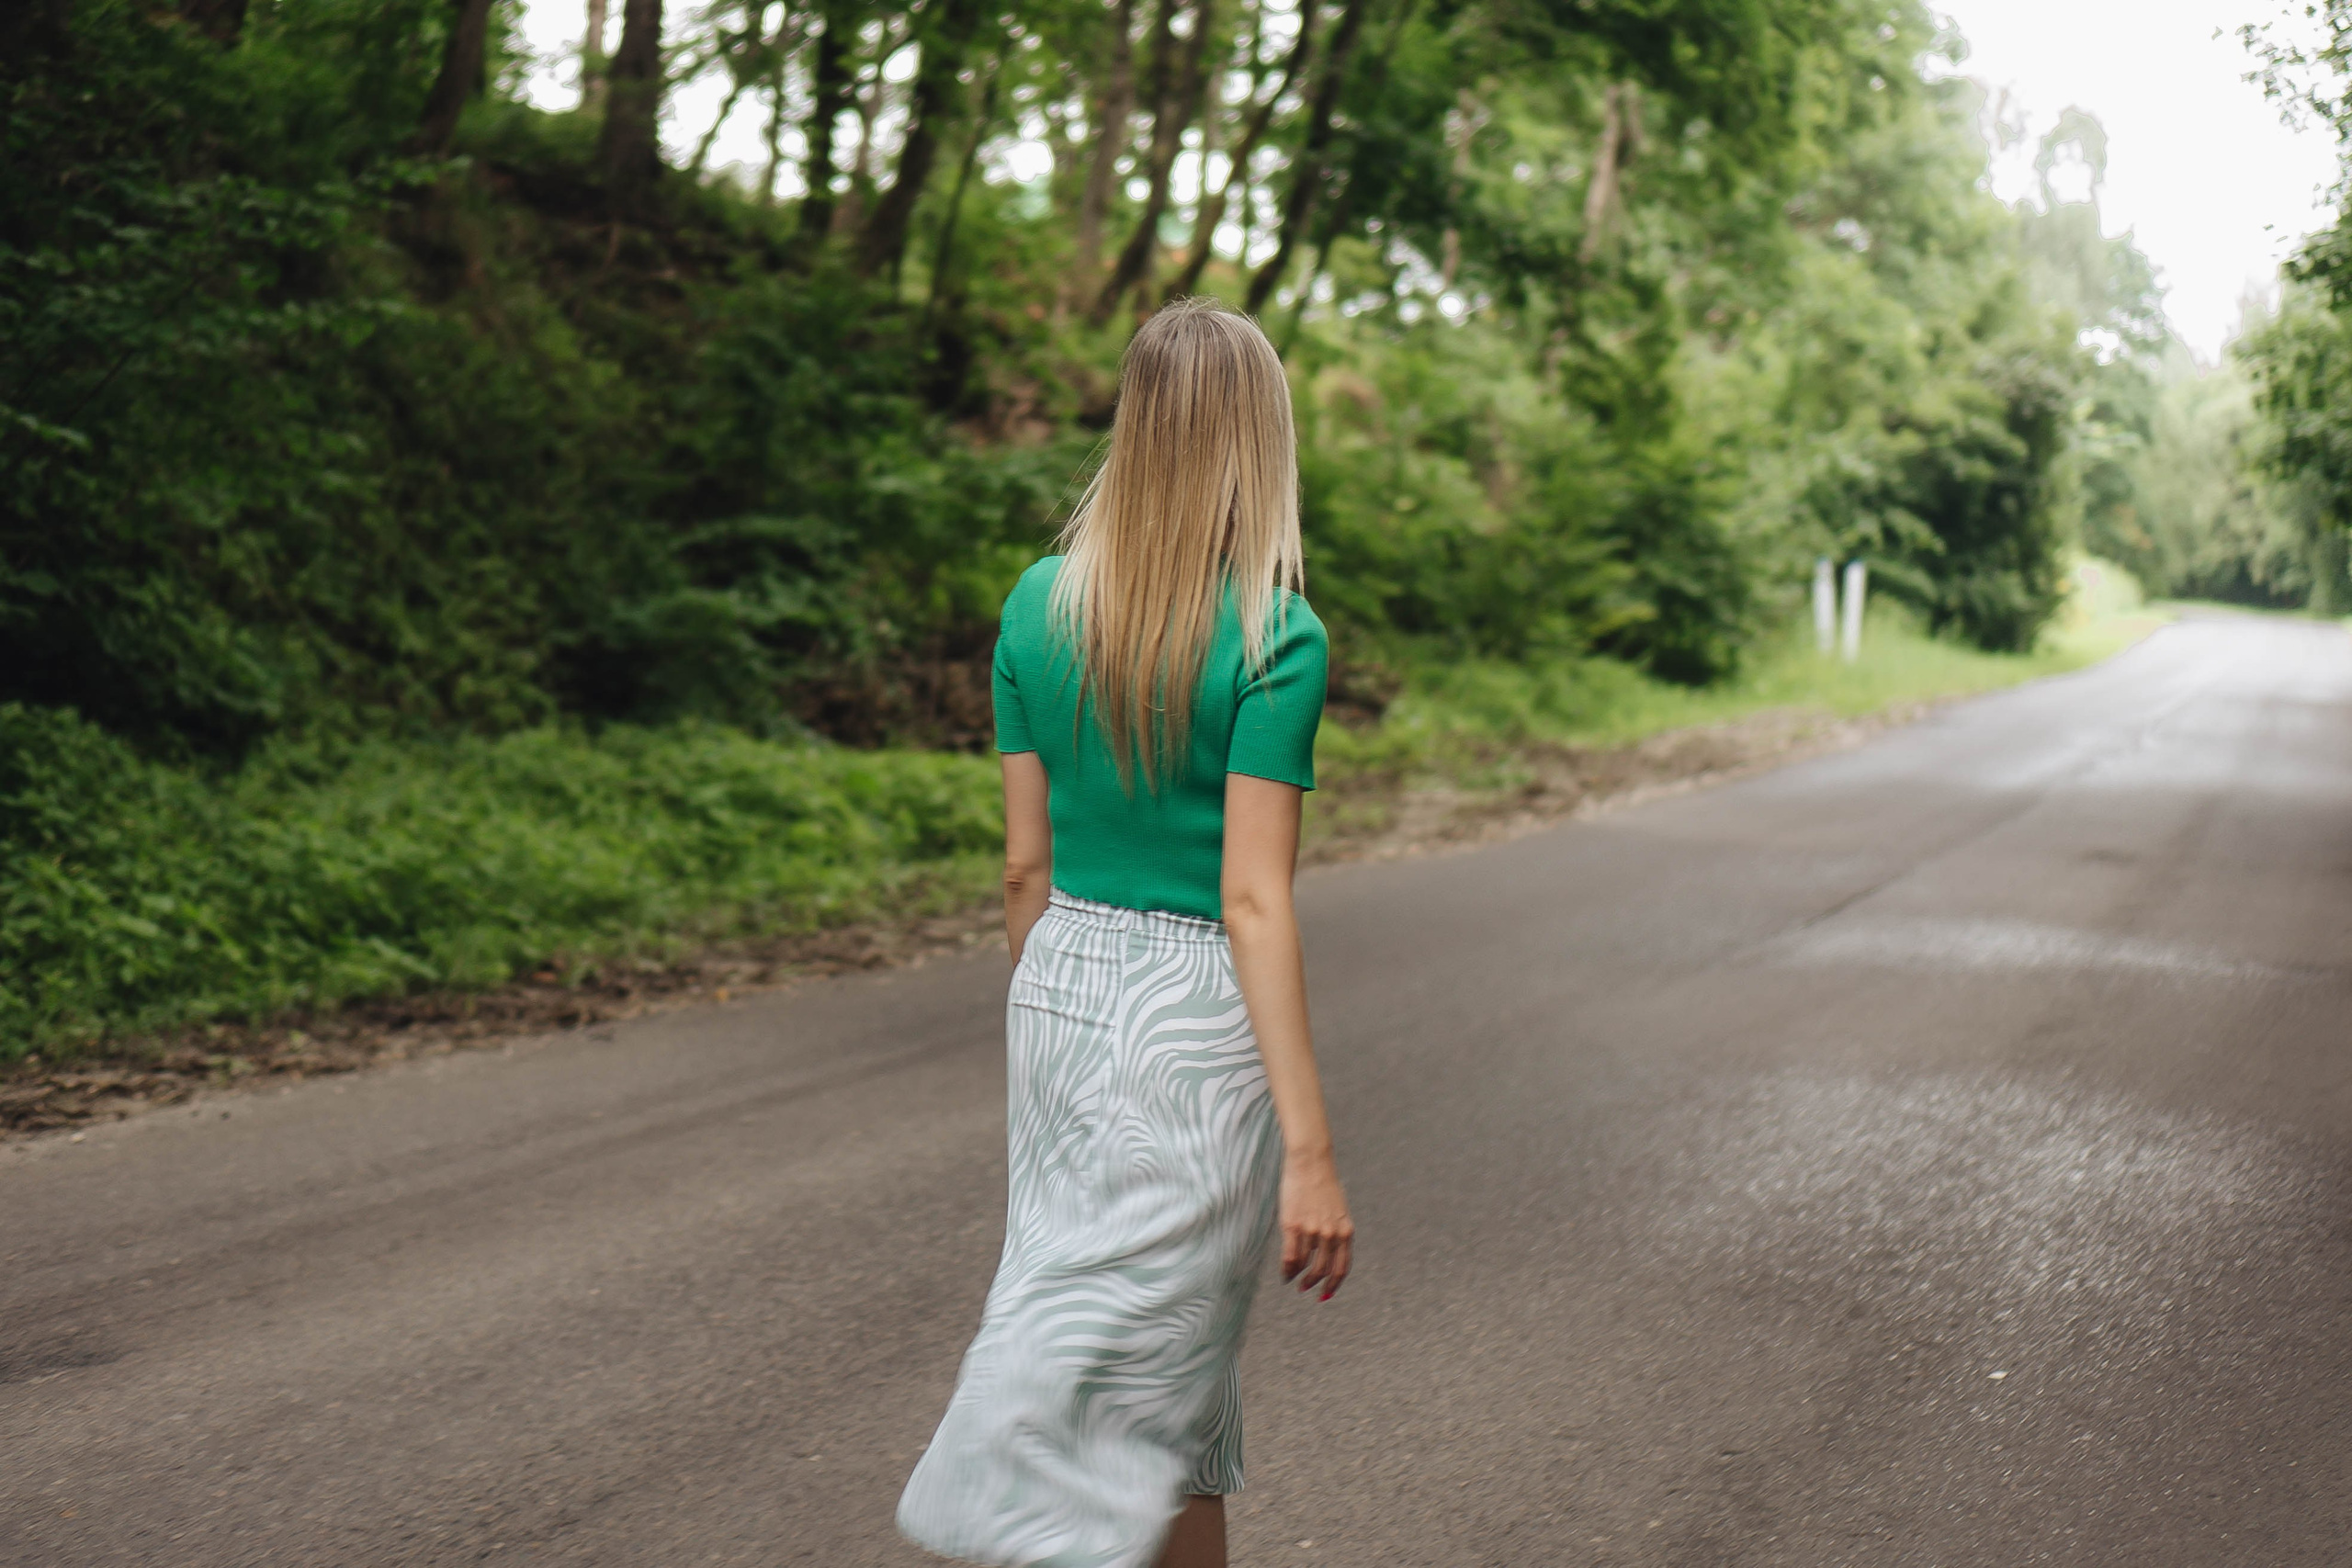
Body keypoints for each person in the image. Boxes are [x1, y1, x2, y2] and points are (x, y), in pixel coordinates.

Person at [897, 297, 1355, 1568]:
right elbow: (1253, 900)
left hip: (1058, 986)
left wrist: (1058, 991)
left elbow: (1020, 864)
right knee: (1126, 1372)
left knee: (1170, 1382)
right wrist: (1310, 1151)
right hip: (1197, 1011)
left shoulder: (1036, 604)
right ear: (1257, 441)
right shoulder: (1276, 636)